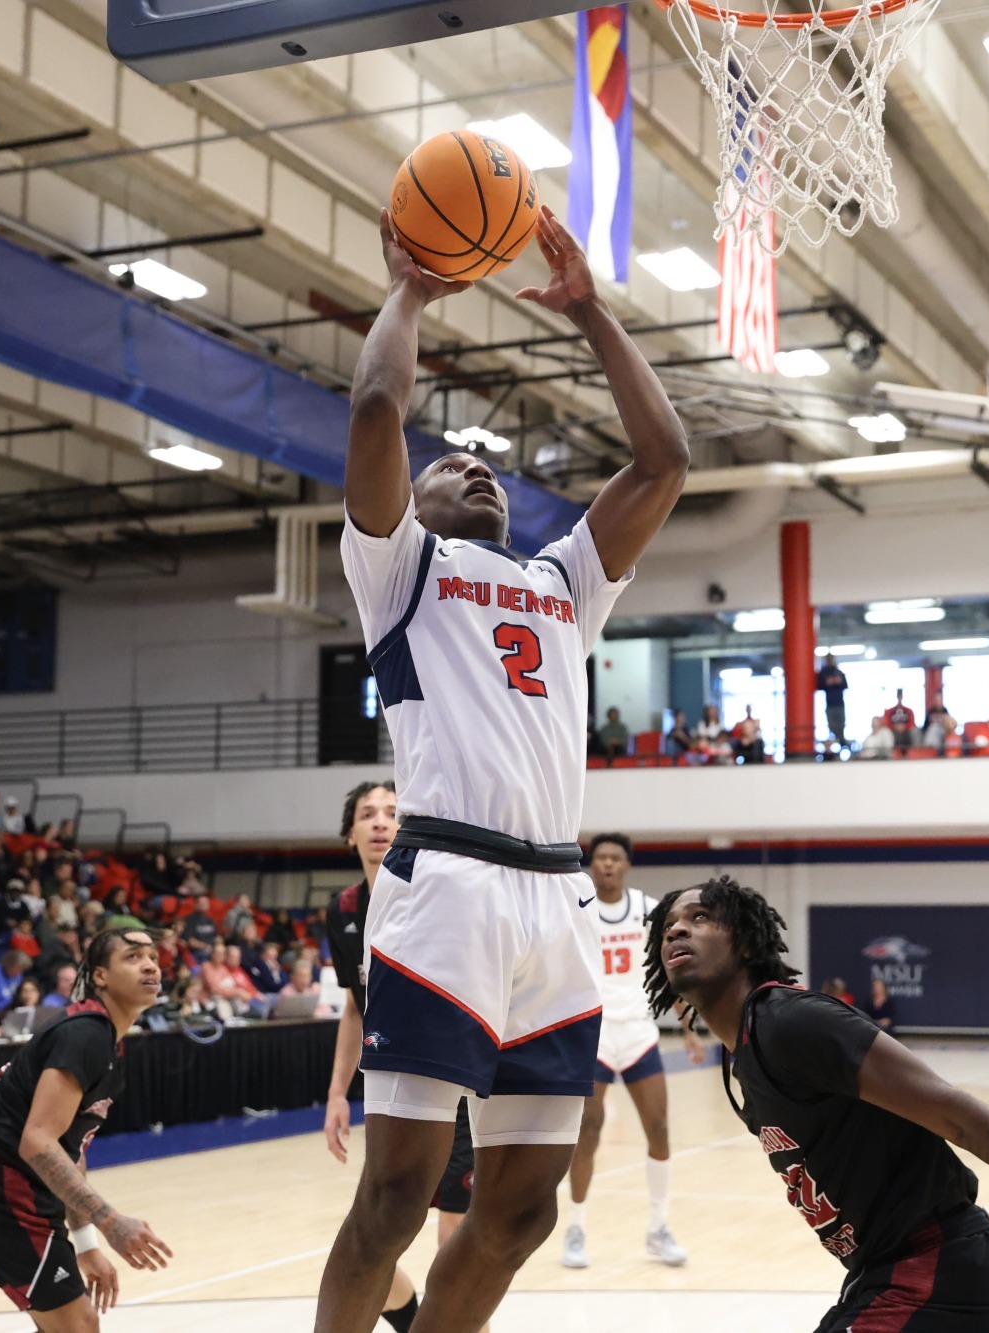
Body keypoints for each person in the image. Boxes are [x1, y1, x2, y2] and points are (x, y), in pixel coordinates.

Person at [321, 203, 687, 1333]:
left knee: (519, 1212)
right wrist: (414, 291)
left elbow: (666, 458)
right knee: (394, 1197)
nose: (469, 464)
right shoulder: (400, 569)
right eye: (447, 466)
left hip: (555, 900)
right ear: (410, 504)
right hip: (451, 889)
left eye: (483, 464)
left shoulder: (558, 581)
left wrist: (590, 313)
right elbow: (381, 405)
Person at [646, 877, 989, 1330]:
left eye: (699, 918)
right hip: (885, 1276)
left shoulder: (792, 1023)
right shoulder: (740, 1054)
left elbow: (958, 1116)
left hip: (940, 1277)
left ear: (744, 942)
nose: (678, 930)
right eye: (669, 924)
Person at [0, 927, 171, 1326]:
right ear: (100, 976)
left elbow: (69, 1152)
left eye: (153, 957)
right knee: (79, 1324)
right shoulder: (85, 1035)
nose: (150, 965)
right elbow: (38, 1143)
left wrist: (85, 1243)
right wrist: (111, 1222)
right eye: (132, 957)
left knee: (67, 1324)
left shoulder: (105, 1042)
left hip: (11, 1184)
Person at [322, 780, 472, 1333]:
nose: (381, 821)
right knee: (373, 1247)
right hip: (391, 1095)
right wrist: (338, 1093)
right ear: (350, 834)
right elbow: (354, 1010)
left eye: (392, 811)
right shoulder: (341, 911)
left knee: (455, 1257)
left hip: (455, 1086)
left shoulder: (433, 894)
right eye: (368, 813)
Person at [562, 833, 700, 1270]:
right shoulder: (577, 907)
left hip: (639, 1031)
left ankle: (658, 1228)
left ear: (626, 865)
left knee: (658, 1127)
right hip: (595, 1034)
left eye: (614, 858)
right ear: (593, 865)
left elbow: (669, 969)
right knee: (589, 1130)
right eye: (600, 857)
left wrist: (689, 1028)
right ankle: (576, 1227)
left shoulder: (647, 908)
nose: (606, 864)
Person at [817, 654, 849, 756]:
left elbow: (845, 685)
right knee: (832, 726)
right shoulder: (823, 673)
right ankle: (835, 746)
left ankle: (841, 741)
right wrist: (828, 683)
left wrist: (838, 682)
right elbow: (819, 686)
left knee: (841, 724)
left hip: (839, 704)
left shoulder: (838, 672)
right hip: (830, 704)